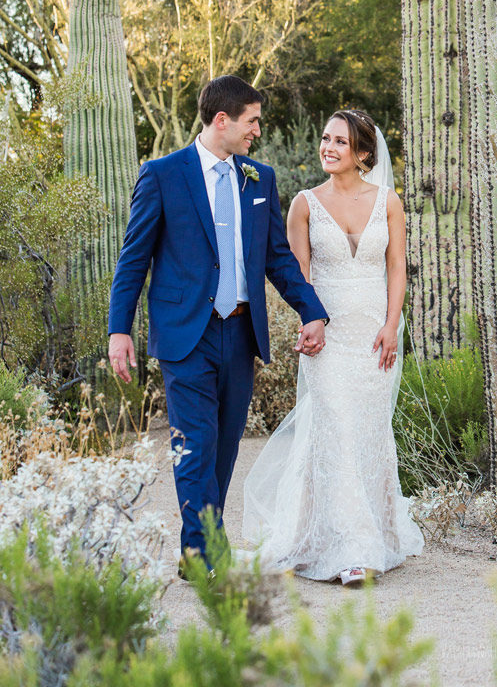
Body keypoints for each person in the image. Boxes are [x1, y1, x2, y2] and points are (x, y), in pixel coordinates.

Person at [107, 75, 329, 572]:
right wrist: (119, 329)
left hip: (242, 331)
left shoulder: (259, 177)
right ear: (222, 120)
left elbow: (277, 257)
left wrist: (311, 310)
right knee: (195, 443)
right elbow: (133, 259)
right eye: (251, 122)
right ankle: (205, 550)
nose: (257, 132)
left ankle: (199, 546)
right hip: (187, 332)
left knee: (226, 443)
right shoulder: (162, 174)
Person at [242, 109, 423, 585]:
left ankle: (375, 533)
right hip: (328, 335)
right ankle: (352, 553)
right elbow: (298, 274)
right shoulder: (303, 203)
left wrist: (391, 325)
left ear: (363, 154)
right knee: (336, 431)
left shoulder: (389, 201)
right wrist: (310, 321)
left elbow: (397, 268)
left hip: (374, 334)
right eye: (325, 138)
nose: (328, 147)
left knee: (368, 432)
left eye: (340, 142)